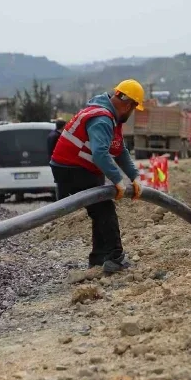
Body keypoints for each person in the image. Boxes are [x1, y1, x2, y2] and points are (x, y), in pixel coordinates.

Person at [50, 79, 145, 274]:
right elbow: (100, 154)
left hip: (79, 167)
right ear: (129, 105)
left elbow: (119, 150)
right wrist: (118, 180)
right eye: (134, 108)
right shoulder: (102, 119)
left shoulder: (109, 116)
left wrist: (134, 176)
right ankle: (114, 258)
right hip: (73, 169)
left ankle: (99, 258)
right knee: (104, 209)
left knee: (100, 210)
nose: (132, 113)